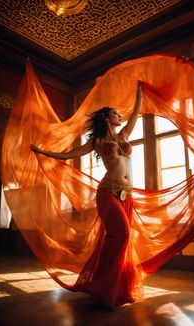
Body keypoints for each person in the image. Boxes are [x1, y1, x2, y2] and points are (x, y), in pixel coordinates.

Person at [30, 83, 143, 308]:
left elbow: (136, 113)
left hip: (126, 195)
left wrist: (140, 91)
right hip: (108, 192)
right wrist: (43, 152)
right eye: (115, 113)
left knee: (119, 239)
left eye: (119, 114)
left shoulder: (124, 135)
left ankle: (110, 285)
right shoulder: (97, 142)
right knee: (121, 236)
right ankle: (104, 284)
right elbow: (70, 154)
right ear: (105, 117)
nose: (119, 116)